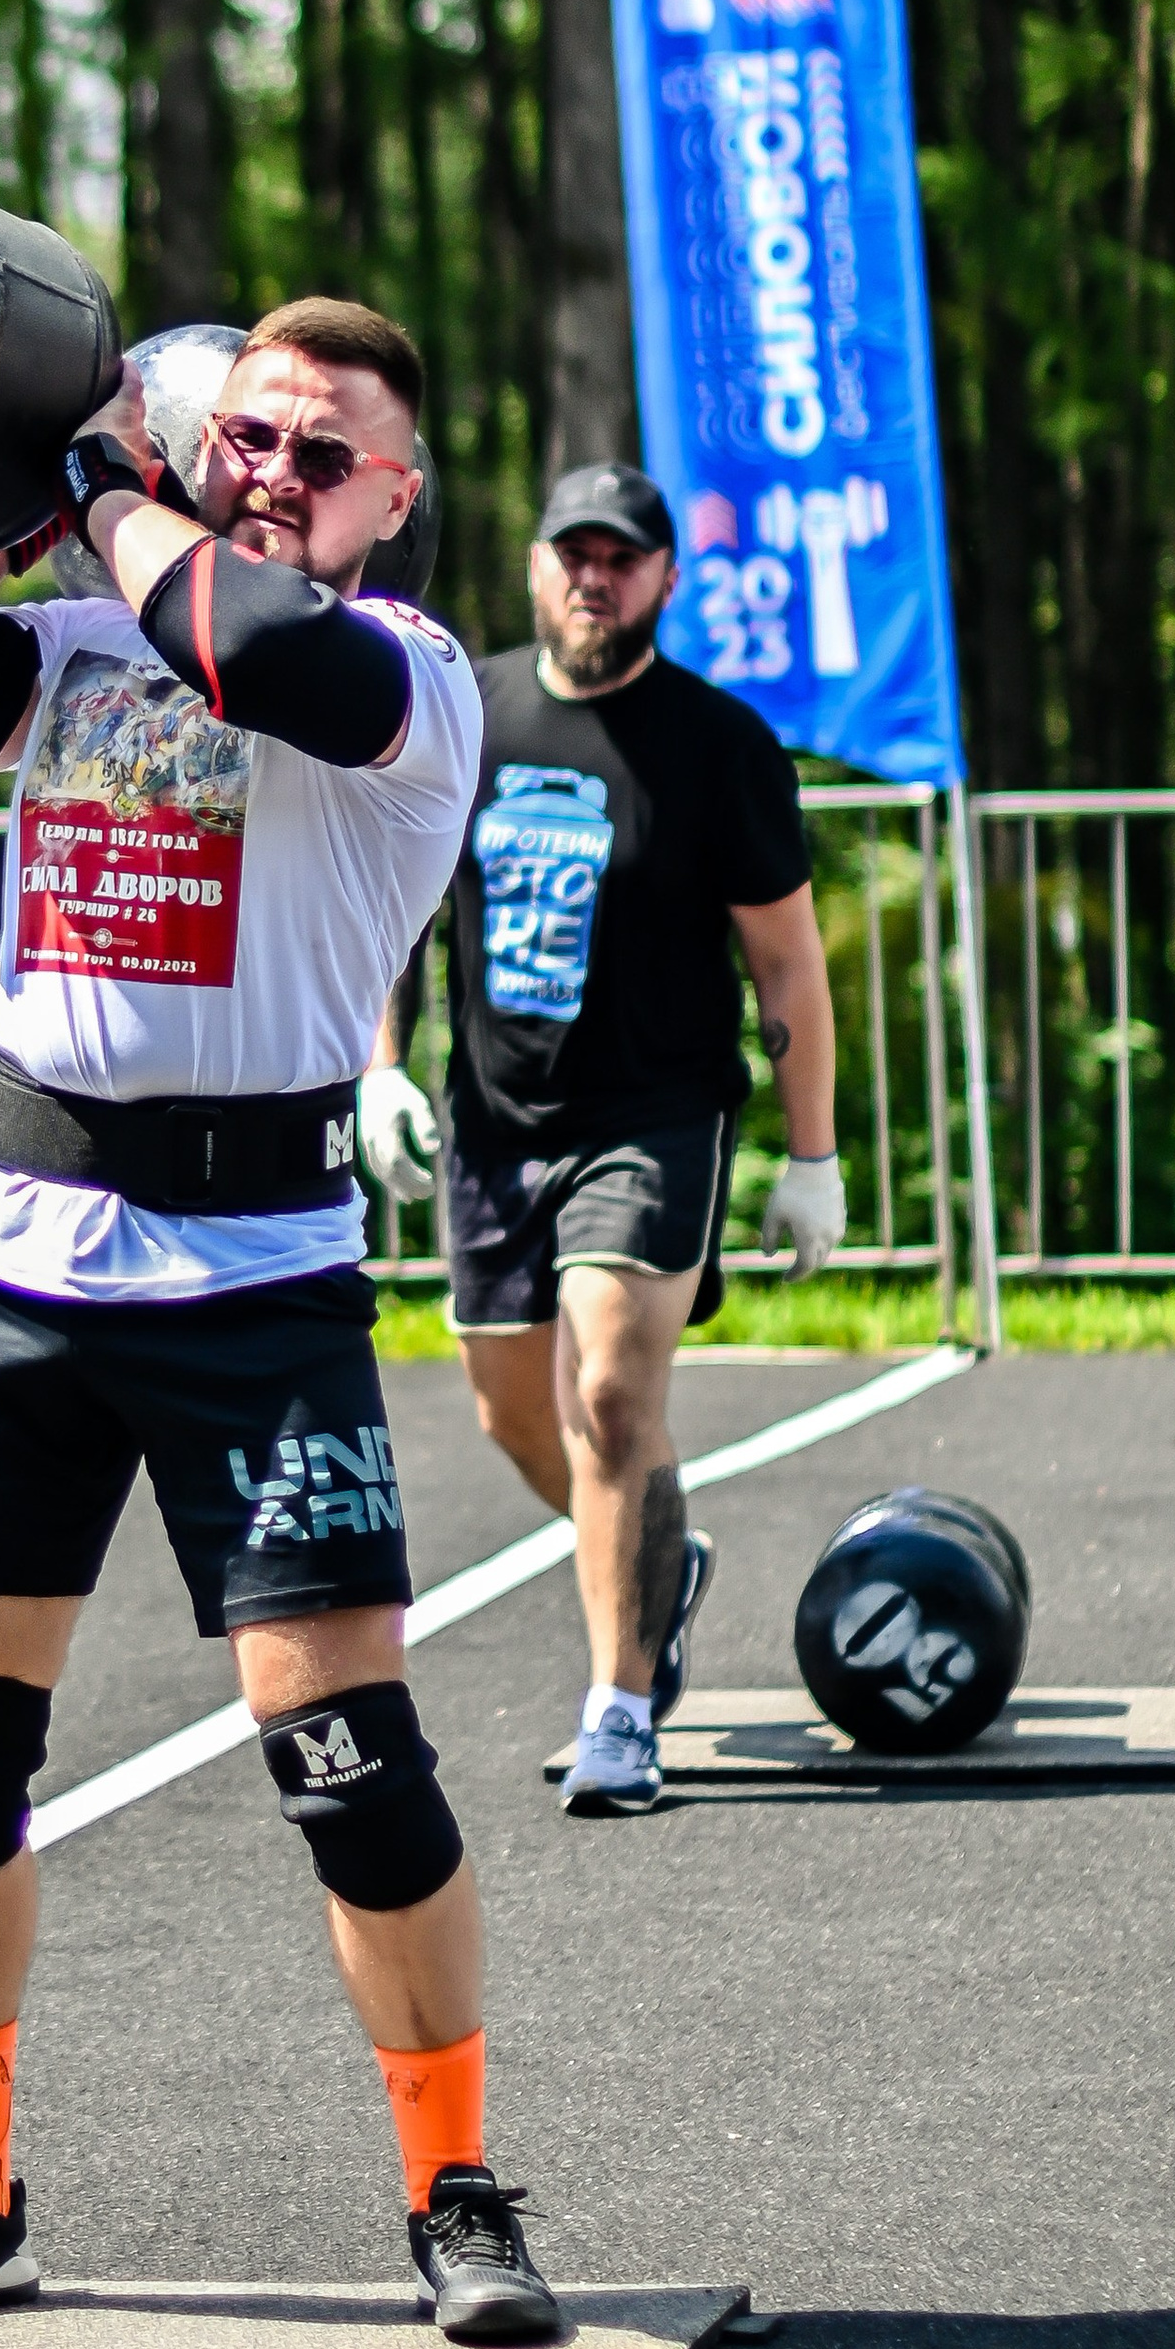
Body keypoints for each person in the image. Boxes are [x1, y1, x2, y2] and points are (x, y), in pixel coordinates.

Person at [0, 296, 559, 2344]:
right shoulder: (79, 648)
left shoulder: (400, 679)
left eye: (323, 457)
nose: (273, 473)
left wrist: (114, 489)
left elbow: (259, 654)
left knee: (345, 1757)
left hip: (252, 1279)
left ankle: (453, 2189)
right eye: (255, 438)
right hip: (8, 1259)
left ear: (393, 500)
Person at [361, 461, 844, 1818]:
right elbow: (400, 909)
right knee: (515, 1413)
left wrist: (813, 1160)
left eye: (621, 557)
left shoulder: (717, 745)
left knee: (613, 1403)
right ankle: (656, 1559)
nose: (594, 577)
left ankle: (621, 1710)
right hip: (494, 1126)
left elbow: (789, 968)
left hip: (655, 1116)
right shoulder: (469, 715)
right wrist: (378, 1073)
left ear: (663, 581)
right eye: (572, 552)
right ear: (535, 568)